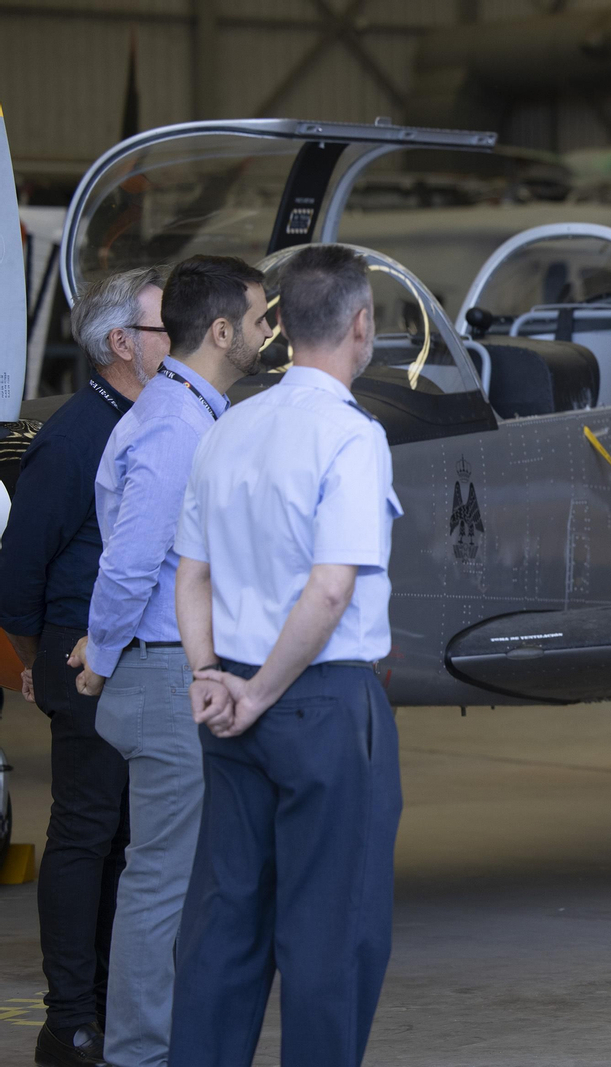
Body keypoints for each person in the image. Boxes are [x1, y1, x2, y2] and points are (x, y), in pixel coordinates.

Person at [166, 244, 402, 1067]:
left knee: (224, 927)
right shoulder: (350, 434)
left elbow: (189, 574)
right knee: (332, 933)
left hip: (226, 694)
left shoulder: (229, 426)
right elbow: (331, 589)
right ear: (360, 325)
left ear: (282, 328)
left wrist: (210, 677)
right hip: (320, 700)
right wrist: (264, 690)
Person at [70, 256, 269, 1067]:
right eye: (260, 318)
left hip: (160, 664)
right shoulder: (175, 426)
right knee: (162, 883)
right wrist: (100, 655)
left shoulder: (186, 413)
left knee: (177, 877)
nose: (267, 332)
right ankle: (143, 1055)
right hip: (156, 669)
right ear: (221, 331)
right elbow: (129, 563)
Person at [0, 267, 167, 1067]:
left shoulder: (147, 420)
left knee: (126, 838)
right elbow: (16, 574)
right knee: (86, 832)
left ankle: (101, 1003)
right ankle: (69, 1020)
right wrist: (40, 663)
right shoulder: (74, 438)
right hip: (81, 648)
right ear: (120, 343)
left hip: (124, 654)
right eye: (164, 328)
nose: (179, 341)